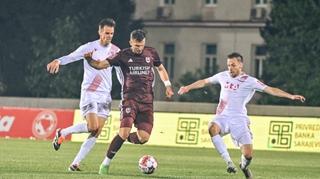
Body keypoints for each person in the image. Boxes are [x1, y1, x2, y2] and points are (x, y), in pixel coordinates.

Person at [178, 52, 305, 179]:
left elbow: (271, 90)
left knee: (248, 155)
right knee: (212, 127)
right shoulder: (223, 76)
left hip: (239, 119)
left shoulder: (250, 81)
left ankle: (244, 166)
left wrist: (291, 96)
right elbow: (204, 82)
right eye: (228, 65)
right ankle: (229, 162)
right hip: (222, 116)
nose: (230, 68)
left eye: (233, 65)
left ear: (240, 65)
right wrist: (188, 87)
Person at [84, 29, 174, 175]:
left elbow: (161, 68)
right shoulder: (123, 55)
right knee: (124, 132)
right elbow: (101, 65)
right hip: (129, 100)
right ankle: (105, 164)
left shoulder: (151, 53)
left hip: (147, 103)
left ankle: (120, 138)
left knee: (143, 138)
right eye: (137, 45)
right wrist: (90, 60)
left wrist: (168, 85)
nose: (139, 48)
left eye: (142, 45)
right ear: (131, 42)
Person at [46, 18, 120, 171]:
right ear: (100, 32)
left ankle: (75, 163)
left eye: (111, 33)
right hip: (90, 93)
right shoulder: (89, 48)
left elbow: (120, 73)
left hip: (105, 96)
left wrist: (126, 89)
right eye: (106, 33)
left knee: (96, 131)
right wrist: (58, 61)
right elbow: (72, 56)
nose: (109, 36)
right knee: (92, 126)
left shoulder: (116, 51)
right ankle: (63, 132)